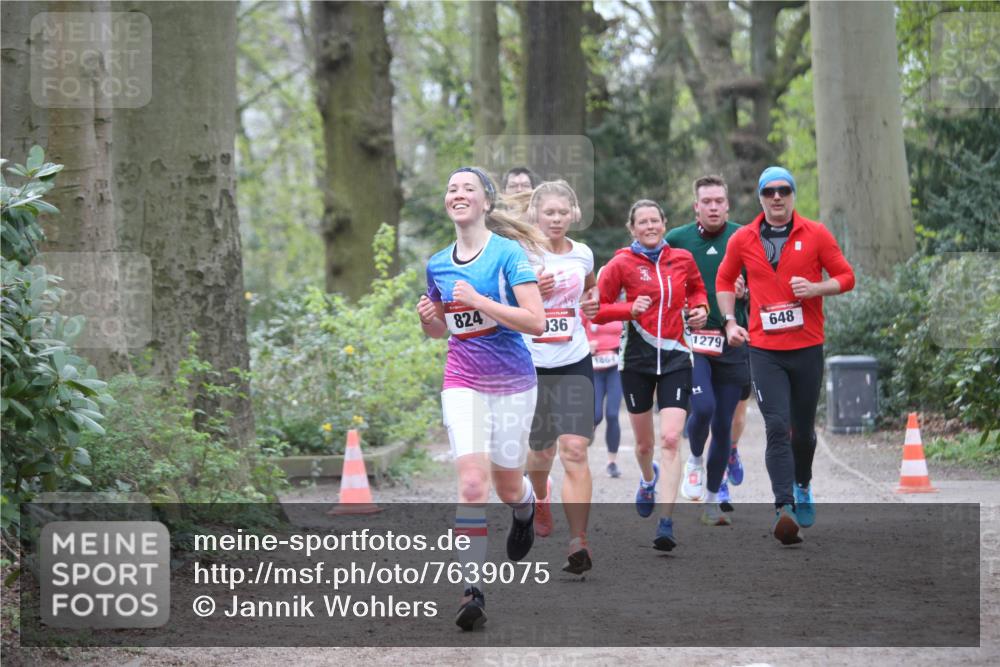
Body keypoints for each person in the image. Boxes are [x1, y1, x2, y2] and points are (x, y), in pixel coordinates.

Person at [417, 166, 546, 630]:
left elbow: (536, 321)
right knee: (473, 483)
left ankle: (526, 507)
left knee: (508, 486)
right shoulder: (437, 263)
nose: (457, 193)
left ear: (486, 203)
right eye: (451, 188)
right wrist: (428, 317)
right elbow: (440, 330)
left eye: (467, 188)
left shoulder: (508, 253)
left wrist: (479, 300)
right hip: (463, 380)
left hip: (513, 383)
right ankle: (471, 589)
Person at [717, 166, 855, 545]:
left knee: (803, 433)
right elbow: (725, 279)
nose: (777, 198)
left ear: (793, 195)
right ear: (760, 198)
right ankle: (784, 508)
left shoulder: (816, 234)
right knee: (776, 426)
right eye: (769, 192)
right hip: (765, 350)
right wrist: (730, 322)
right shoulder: (744, 238)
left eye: (784, 191)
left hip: (807, 347)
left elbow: (846, 277)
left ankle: (804, 482)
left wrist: (815, 288)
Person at [592, 199, 709, 551]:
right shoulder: (620, 264)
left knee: (672, 439)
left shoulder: (682, 259)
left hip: (676, 357)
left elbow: (697, 290)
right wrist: (629, 308)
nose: (649, 226)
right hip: (636, 362)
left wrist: (701, 308)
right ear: (632, 228)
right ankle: (647, 479)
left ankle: (666, 521)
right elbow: (598, 310)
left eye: (654, 220)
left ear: (664, 223)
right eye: (642, 222)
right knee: (645, 445)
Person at [521, 180, 600, 575]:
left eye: (562, 212)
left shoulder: (583, 254)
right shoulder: (519, 254)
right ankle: (539, 494)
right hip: (533, 362)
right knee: (541, 452)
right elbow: (502, 303)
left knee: (574, 449)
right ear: (535, 214)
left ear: (573, 214)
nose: (555, 219)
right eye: (548, 212)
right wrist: (532, 289)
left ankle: (578, 541)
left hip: (574, 358)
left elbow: (590, 293)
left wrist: (594, 300)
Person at [664, 175, 749, 526]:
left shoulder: (744, 236)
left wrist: (748, 292)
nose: (713, 207)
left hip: (732, 341)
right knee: (703, 407)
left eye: (719, 201)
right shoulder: (677, 240)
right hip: (694, 343)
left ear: (727, 205)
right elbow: (660, 285)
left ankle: (713, 499)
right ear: (696, 206)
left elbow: (768, 285)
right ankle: (695, 459)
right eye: (706, 201)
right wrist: (683, 309)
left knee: (725, 424)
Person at [582, 308, 624, 478]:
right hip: (594, 368)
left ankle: (612, 462)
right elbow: (575, 332)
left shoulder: (621, 307)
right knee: (595, 415)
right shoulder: (588, 307)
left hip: (616, 367)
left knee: (613, 414)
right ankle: (586, 437)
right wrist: (586, 345)